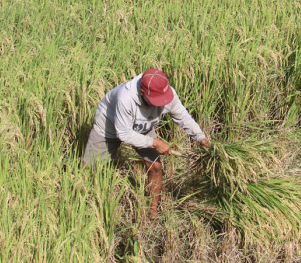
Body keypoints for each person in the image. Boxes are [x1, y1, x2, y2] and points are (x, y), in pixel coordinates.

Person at [83, 68, 210, 217]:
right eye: (157, 100)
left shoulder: (167, 93)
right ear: (142, 93)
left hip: (142, 127)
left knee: (155, 166)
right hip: (109, 126)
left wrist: (201, 138)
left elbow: (183, 117)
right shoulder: (126, 98)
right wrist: (155, 142)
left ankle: (153, 211)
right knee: (89, 168)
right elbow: (124, 133)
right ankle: (80, 201)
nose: (161, 104)